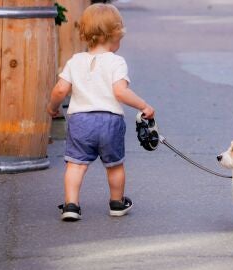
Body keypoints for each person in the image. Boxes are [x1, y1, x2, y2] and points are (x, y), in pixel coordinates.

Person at [47, 3, 154, 221]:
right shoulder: (116, 62)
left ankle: (71, 205)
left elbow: (60, 89)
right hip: (109, 121)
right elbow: (120, 92)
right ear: (115, 36)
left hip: (80, 121)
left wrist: (52, 107)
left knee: (76, 165)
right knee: (114, 165)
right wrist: (144, 106)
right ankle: (116, 202)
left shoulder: (75, 61)